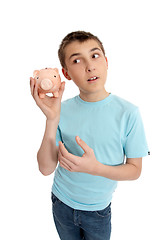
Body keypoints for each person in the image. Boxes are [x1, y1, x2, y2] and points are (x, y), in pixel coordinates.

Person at [30, 31, 149, 240]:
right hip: (61, 202)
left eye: (94, 56)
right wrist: (51, 119)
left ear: (106, 61)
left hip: (97, 211)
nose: (89, 66)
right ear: (66, 74)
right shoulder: (61, 110)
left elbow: (135, 170)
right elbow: (46, 168)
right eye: (77, 60)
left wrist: (95, 168)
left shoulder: (128, 113)